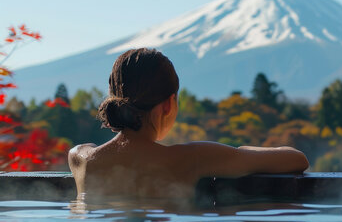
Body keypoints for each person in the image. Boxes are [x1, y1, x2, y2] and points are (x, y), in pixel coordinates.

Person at [68, 48, 309, 199]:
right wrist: (241, 152)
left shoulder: (80, 159)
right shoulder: (190, 159)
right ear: (168, 104)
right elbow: (297, 159)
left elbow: (85, 148)